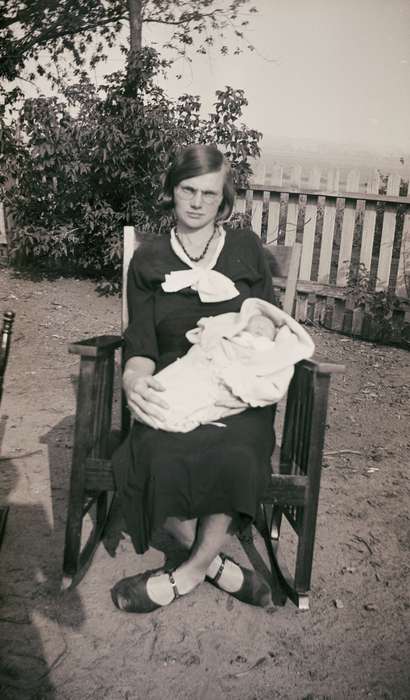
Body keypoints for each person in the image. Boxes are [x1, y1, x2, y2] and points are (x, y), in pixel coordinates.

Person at [111, 144, 280, 613]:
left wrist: (247, 338)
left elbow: (270, 323)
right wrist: (133, 380)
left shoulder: (246, 248)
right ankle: (218, 566)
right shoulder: (148, 259)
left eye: (209, 192)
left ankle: (185, 573)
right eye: (188, 189)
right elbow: (141, 343)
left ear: (222, 198)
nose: (198, 202)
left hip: (236, 387)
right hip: (176, 381)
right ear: (172, 191)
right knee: (154, 450)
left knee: (237, 451)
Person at [134, 299, 314, 433]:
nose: (260, 329)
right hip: (203, 366)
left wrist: (244, 381)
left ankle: (181, 416)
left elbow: (276, 370)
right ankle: (166, 410)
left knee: (235, 453)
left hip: (237, 392)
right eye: (256, 324)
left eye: (266, 328)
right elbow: (215, 338)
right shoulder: (236, 336)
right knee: (174, 391)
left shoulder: (270, 348)